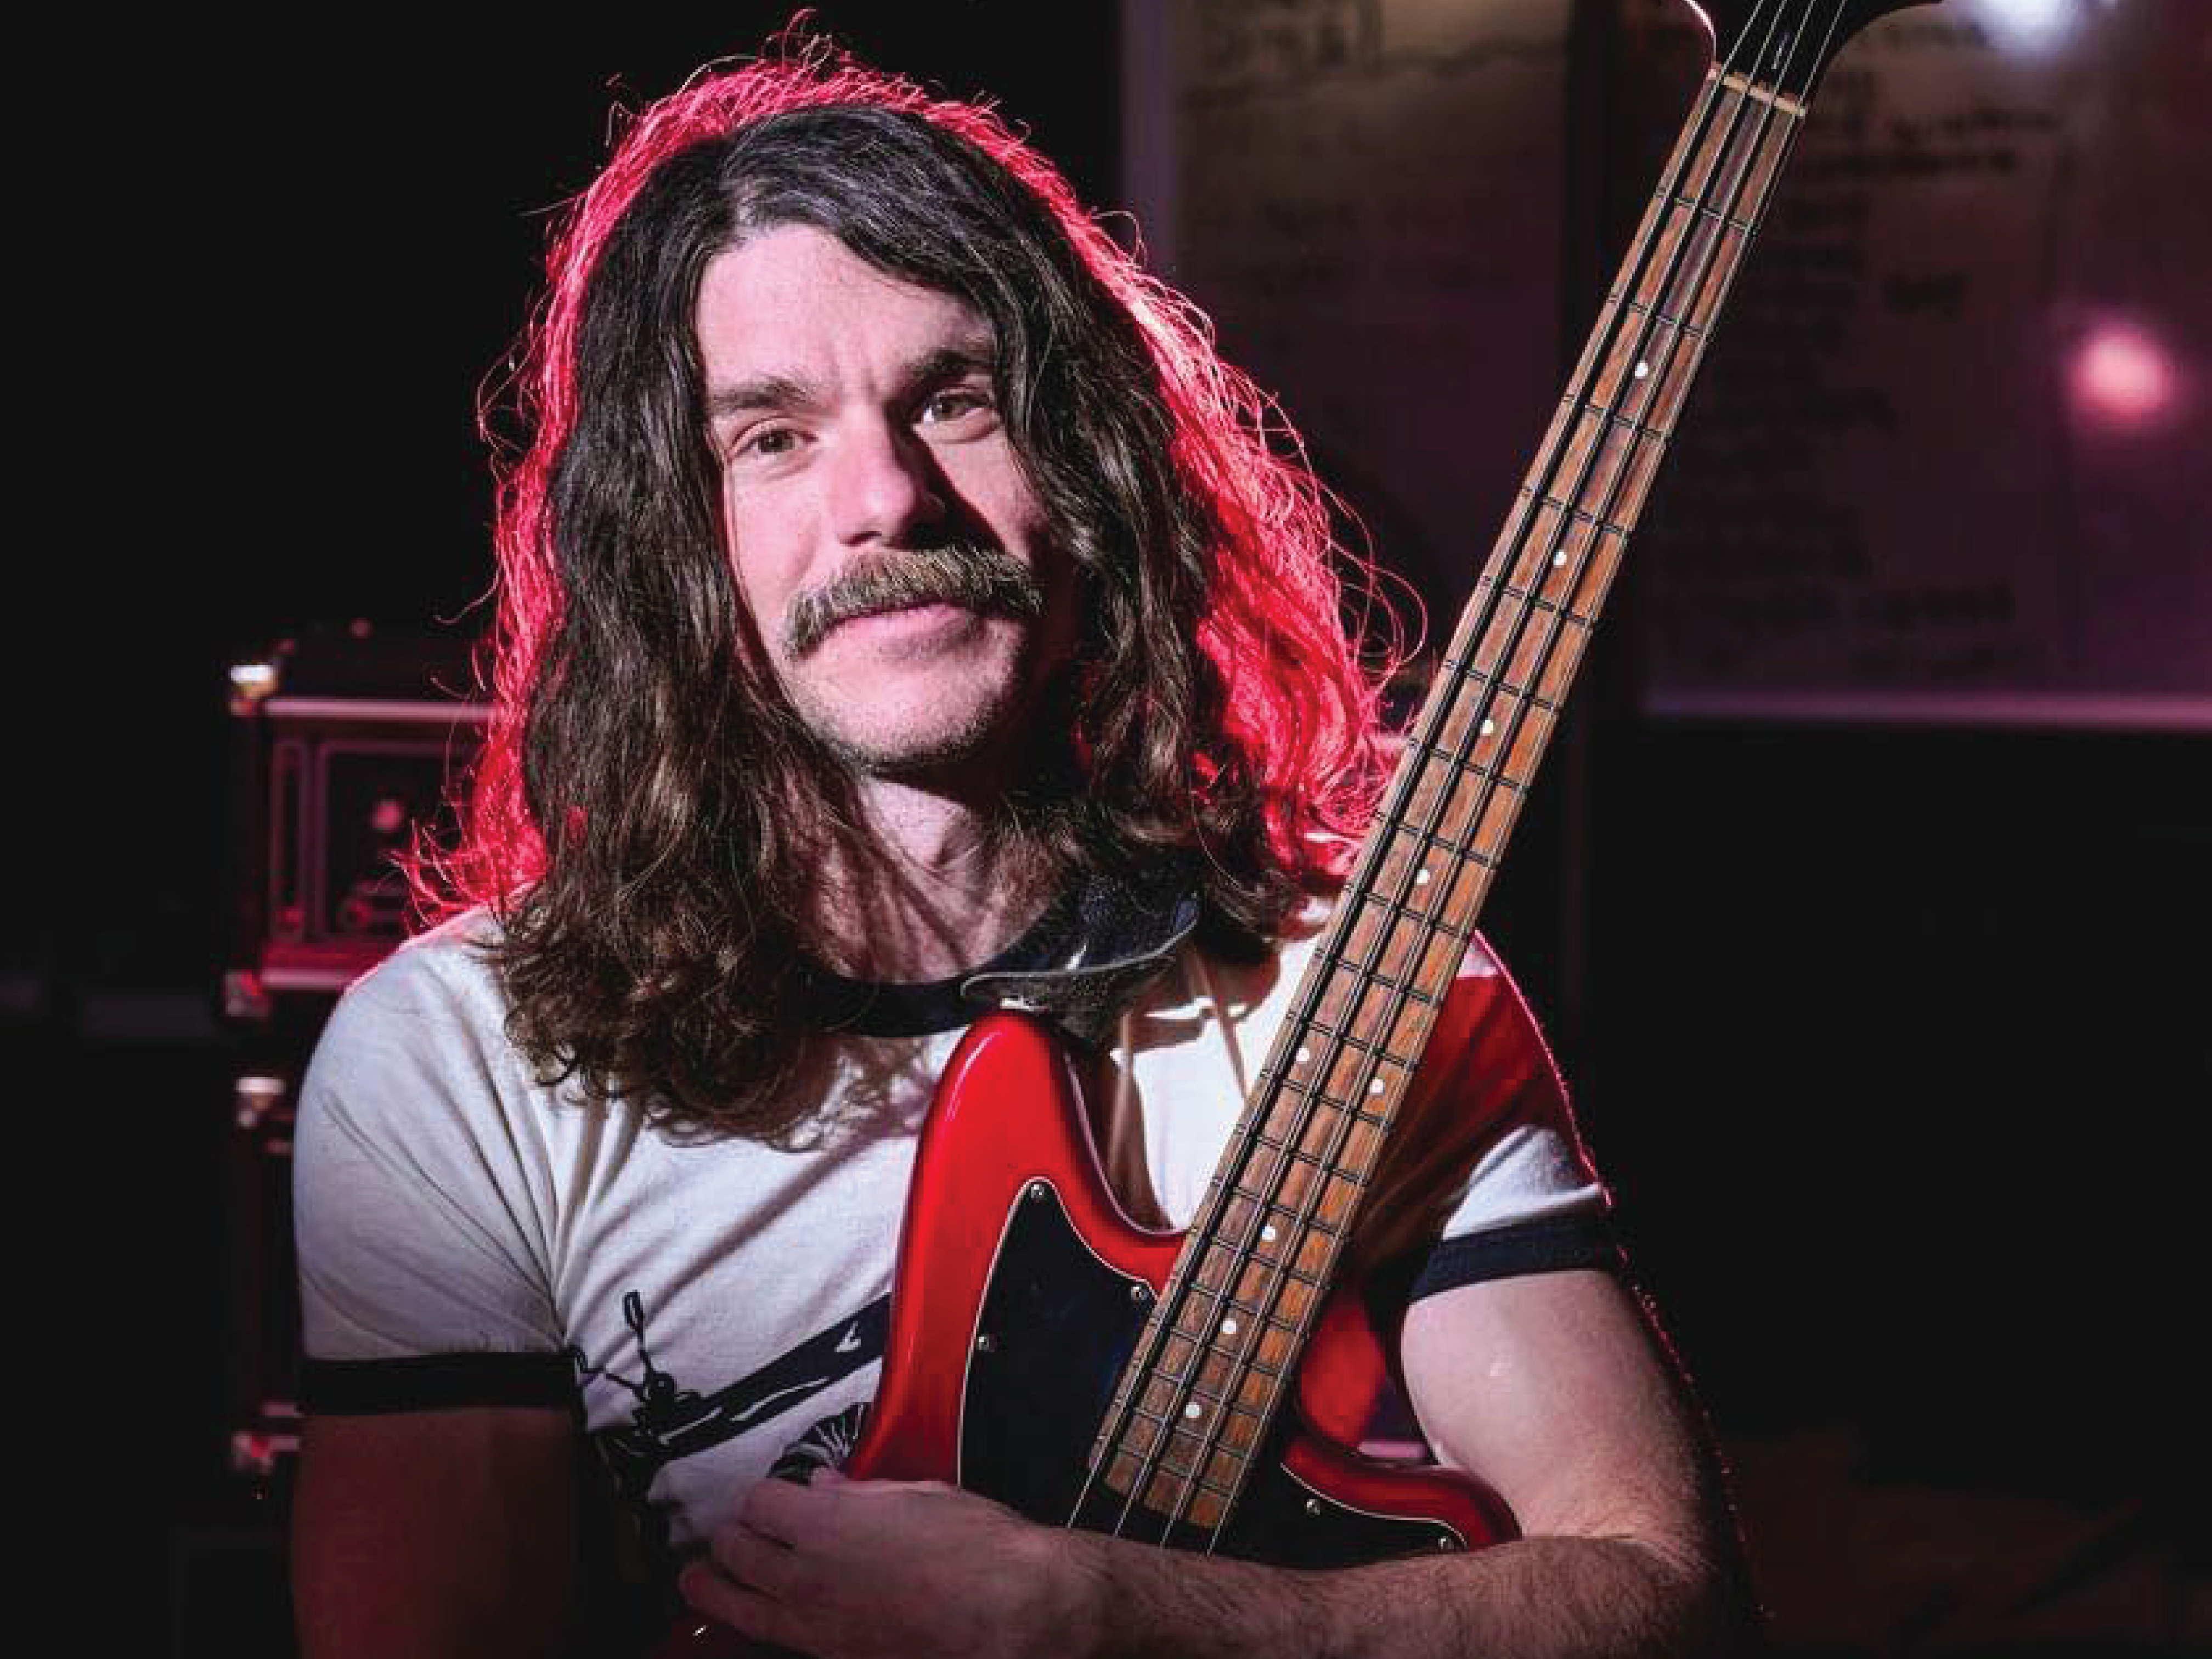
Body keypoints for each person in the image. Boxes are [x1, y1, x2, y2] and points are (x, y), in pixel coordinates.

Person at [290, 38, 1753, 1659]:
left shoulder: (1363, 992)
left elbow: (1672, 1599)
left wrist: (1111, 1610)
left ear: (1095, 470)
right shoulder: (459, 1062)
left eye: (957, 399)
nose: (887, 501)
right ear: (668, 547)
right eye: (769, 437)